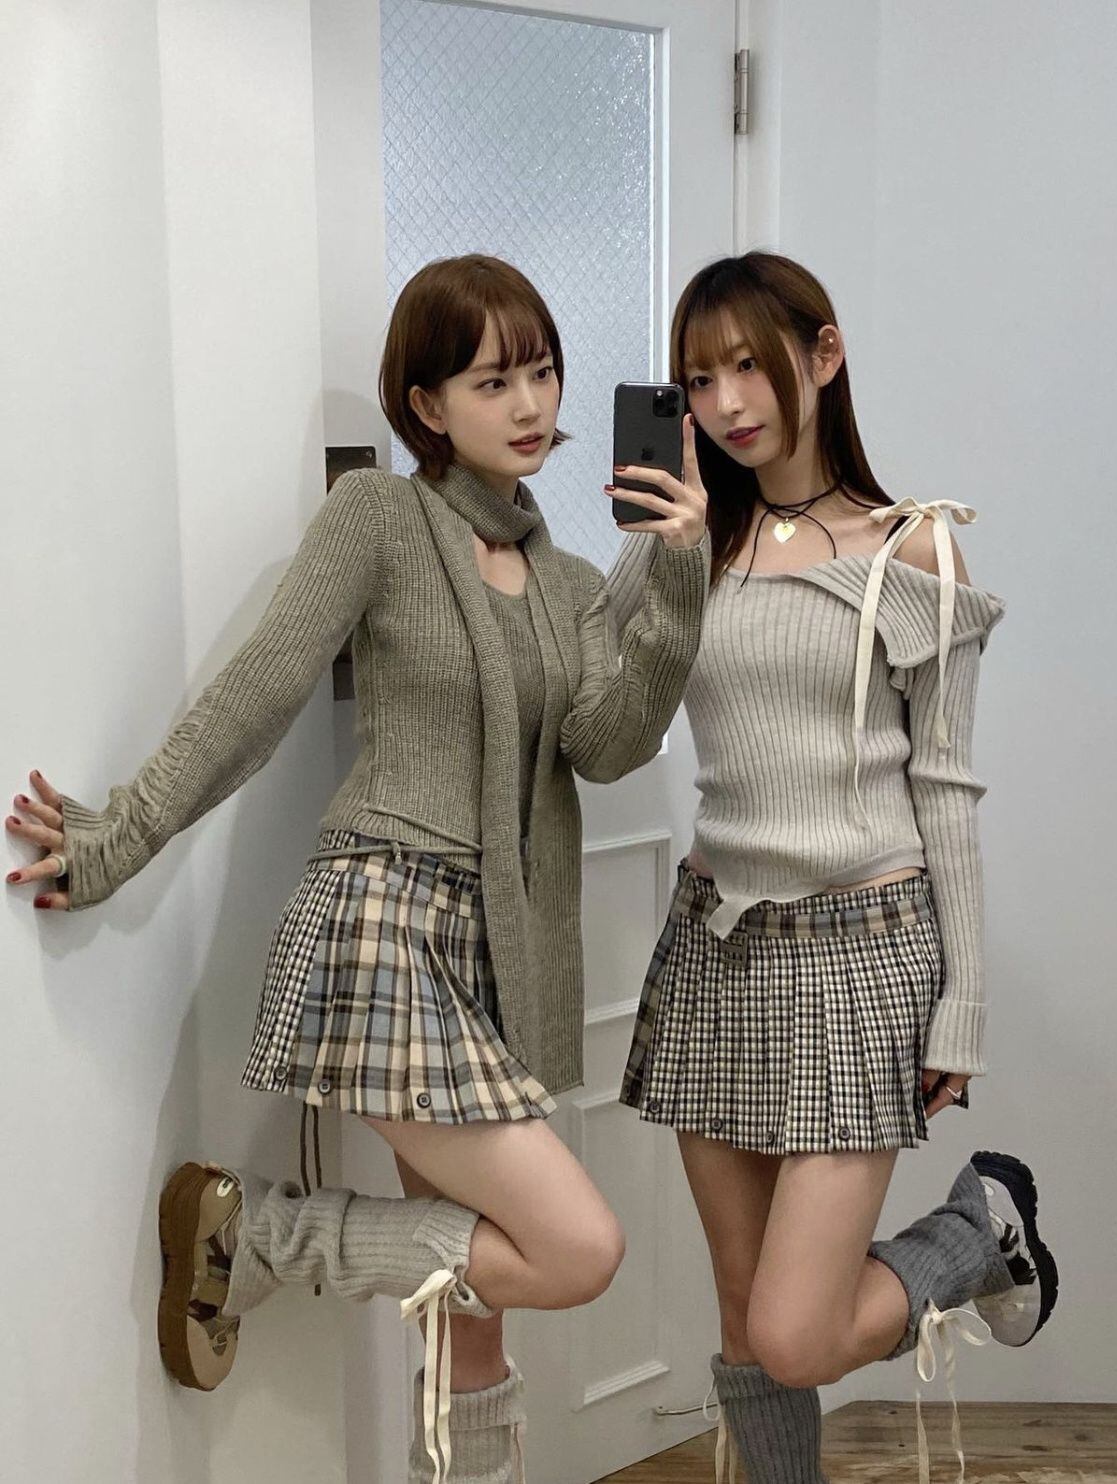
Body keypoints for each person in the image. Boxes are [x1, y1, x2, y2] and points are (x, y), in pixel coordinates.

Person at [5, 253, 710, 1483]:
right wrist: (120, 834)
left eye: (542, 371)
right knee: (577, 1245)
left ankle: (320, 1310)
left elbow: (609, 745)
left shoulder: (571, 584)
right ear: (426, 403)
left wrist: (678, 575)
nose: (529, 402)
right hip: (389, 924)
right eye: (492, 380)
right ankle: (265, 1239)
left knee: (472, 1305)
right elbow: (259, 693)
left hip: (502, 949)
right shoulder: (380, 517)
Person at [609, 252, 1058, 1484]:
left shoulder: (915, 550)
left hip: (863, 954)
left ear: (824, 352)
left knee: (795, 1331)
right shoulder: (694, 542)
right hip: (714, 946)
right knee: (743, 1314)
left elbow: (946, 789)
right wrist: (658, 549)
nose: (726, 401)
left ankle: (976, 1232)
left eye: (749, 364)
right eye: (699, 377)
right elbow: (595, 704)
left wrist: (964, 1002)